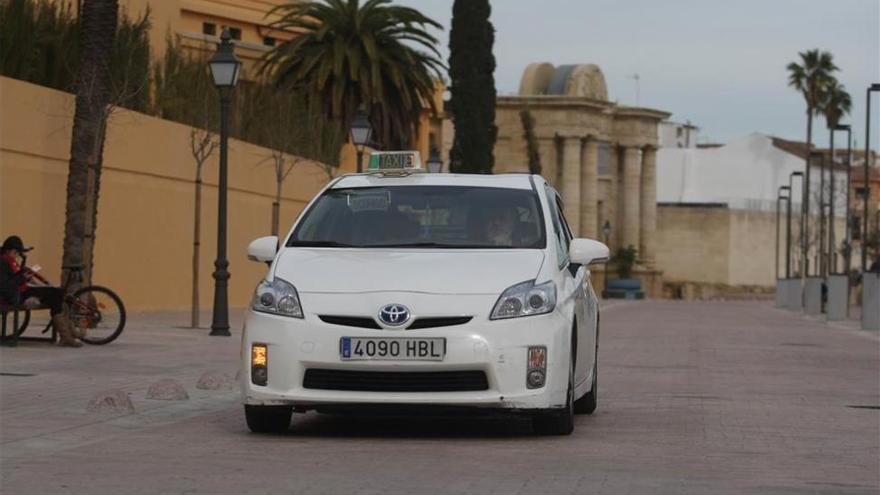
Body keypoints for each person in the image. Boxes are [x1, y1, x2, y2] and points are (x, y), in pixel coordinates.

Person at [0, 235, 81, 347]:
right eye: (15, 252)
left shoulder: (9, 260)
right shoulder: (3, 262)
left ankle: (67, 334)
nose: (17, 255)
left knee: (57, 294)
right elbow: (4, 285)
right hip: (14, 295)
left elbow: (14, 277)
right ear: (8, 250)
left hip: (23, 290)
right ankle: (67, 334)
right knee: (56, 294)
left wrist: (25, 276)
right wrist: (23, 278)